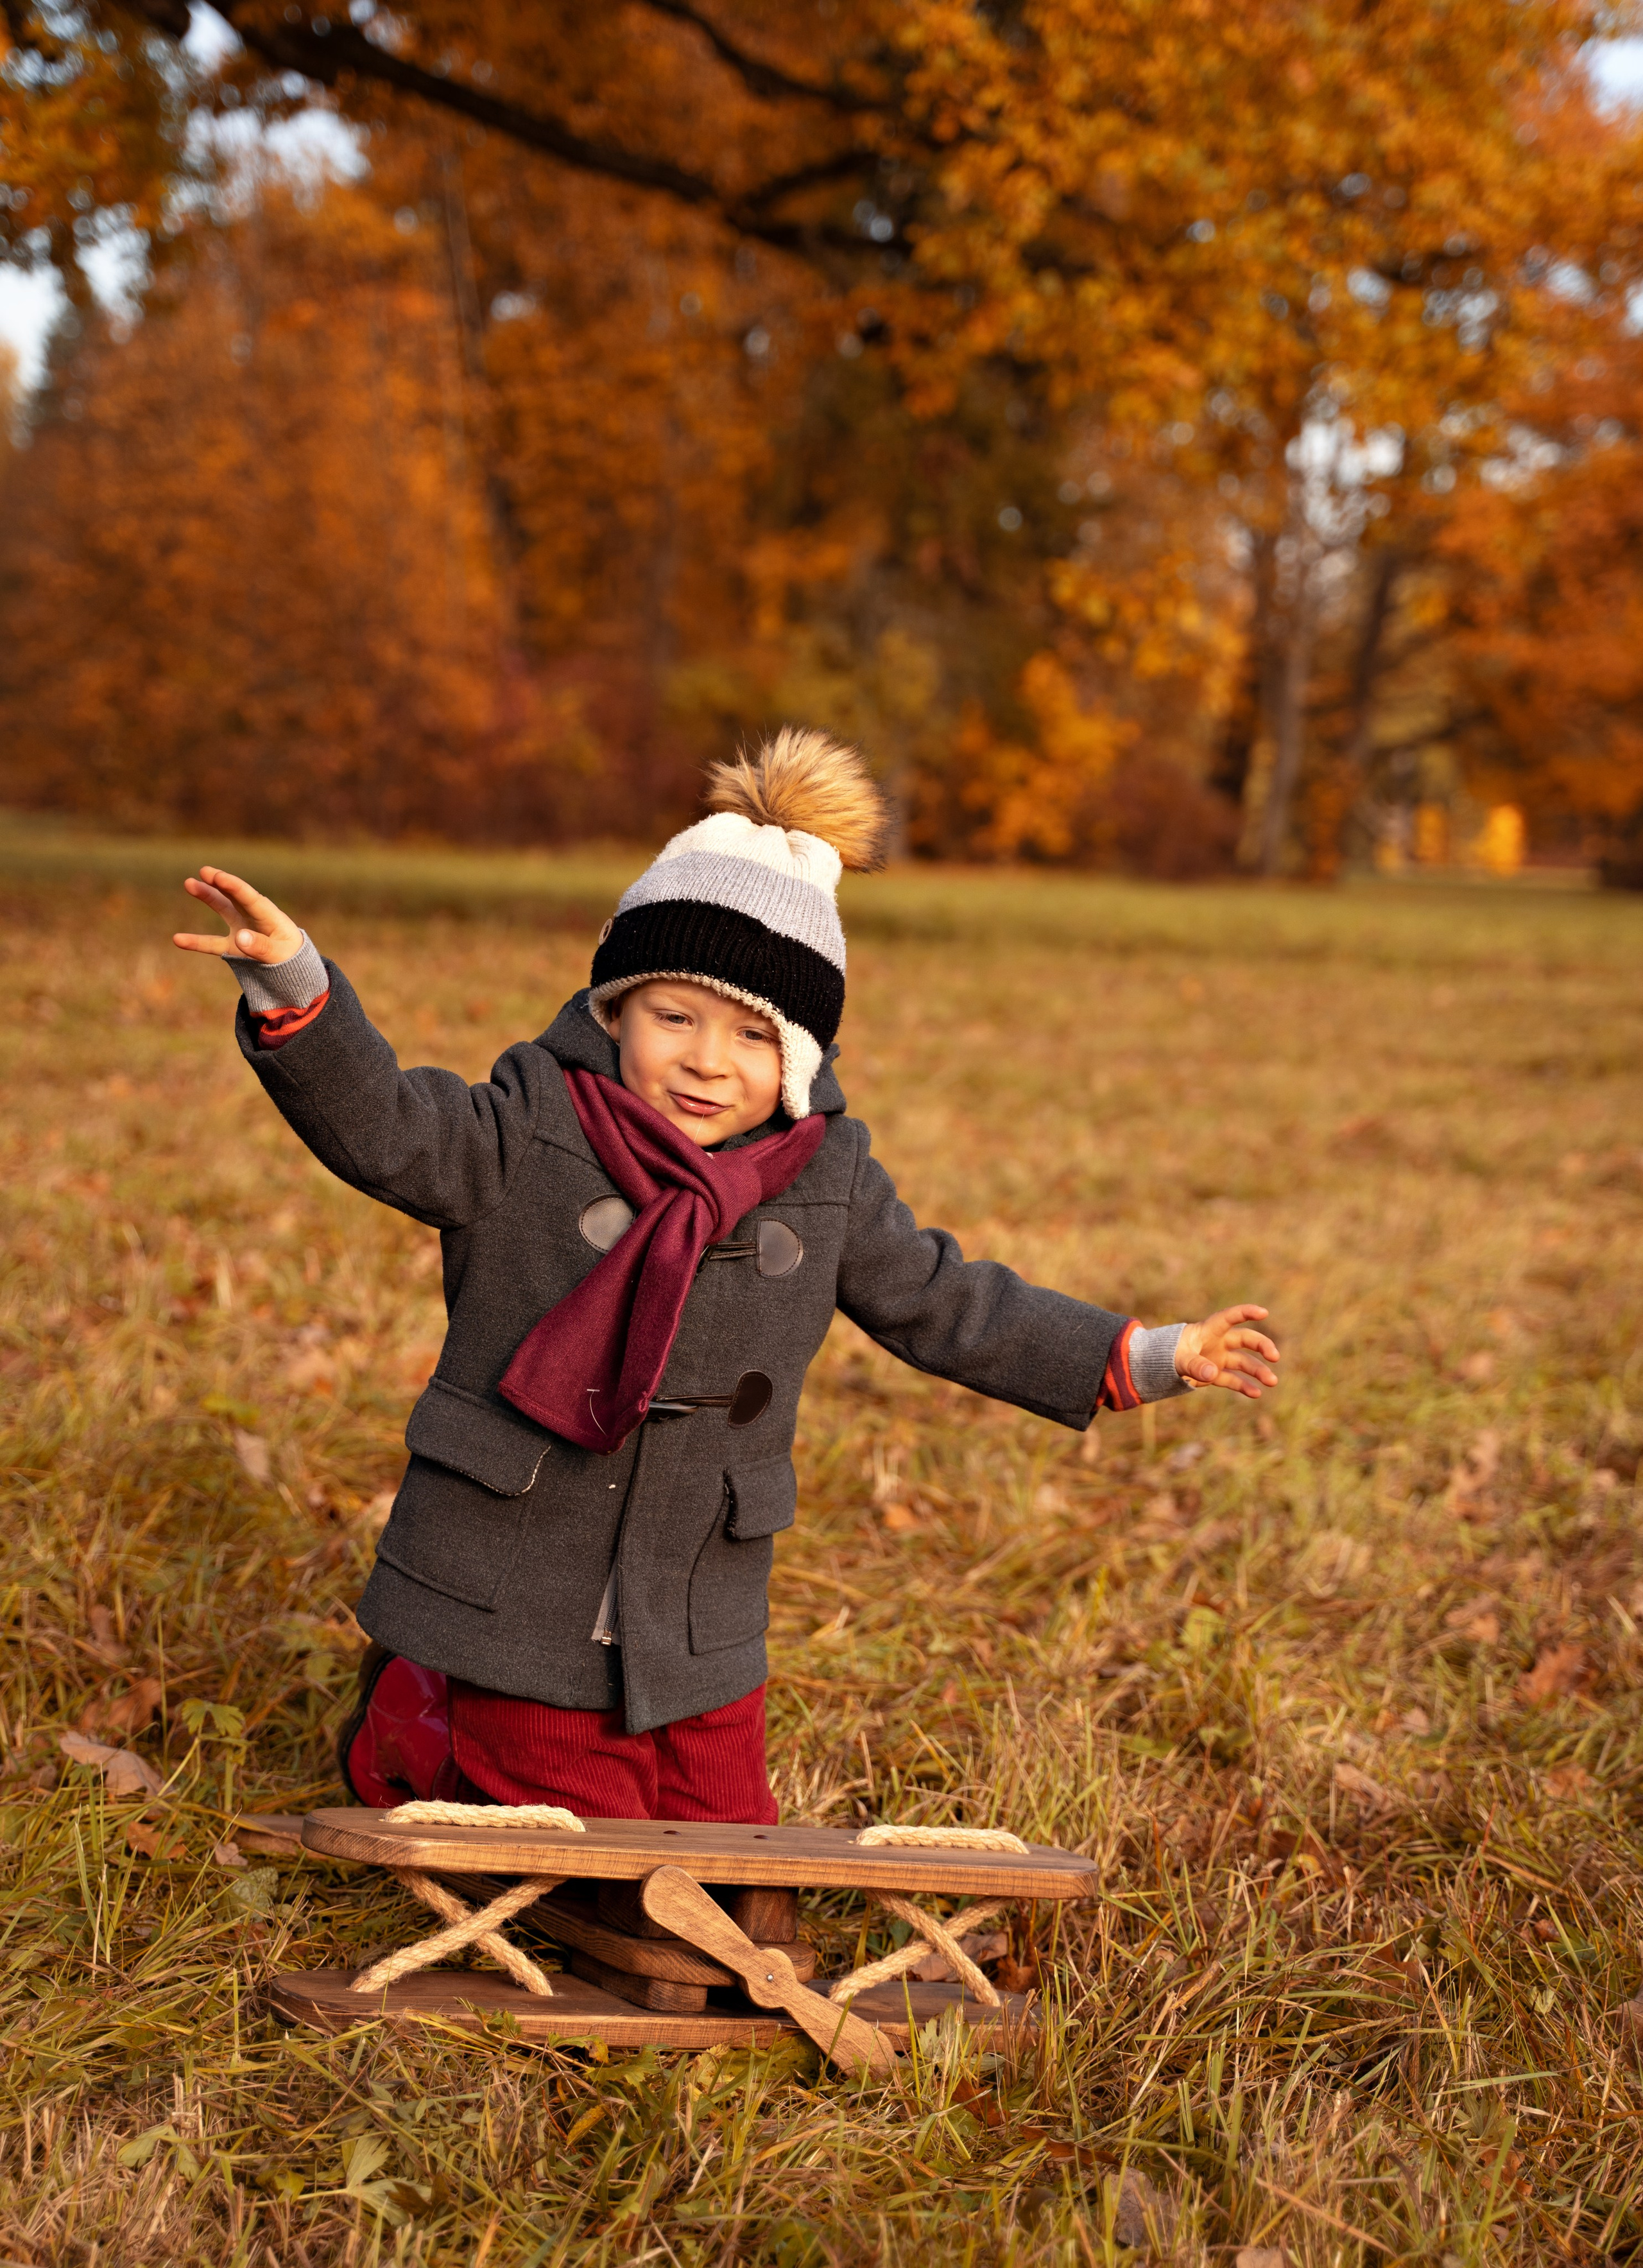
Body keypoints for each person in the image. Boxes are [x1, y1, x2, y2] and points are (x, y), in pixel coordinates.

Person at [173, 729, 1279, 1822]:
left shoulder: (823, 1177)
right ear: (617, 1011)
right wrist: (296, 988)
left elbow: (945, 1300)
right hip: (521, 1561)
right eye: (676, 1014)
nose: (708, 1058)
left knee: (727, 1827)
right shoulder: (535, 1122)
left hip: (693, 1594)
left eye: (754, 1035)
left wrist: (1146, 1354)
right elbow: (394, 1131)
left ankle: (480, 1744)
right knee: (583, 1824)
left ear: (800, 1060)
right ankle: (423, 1724)